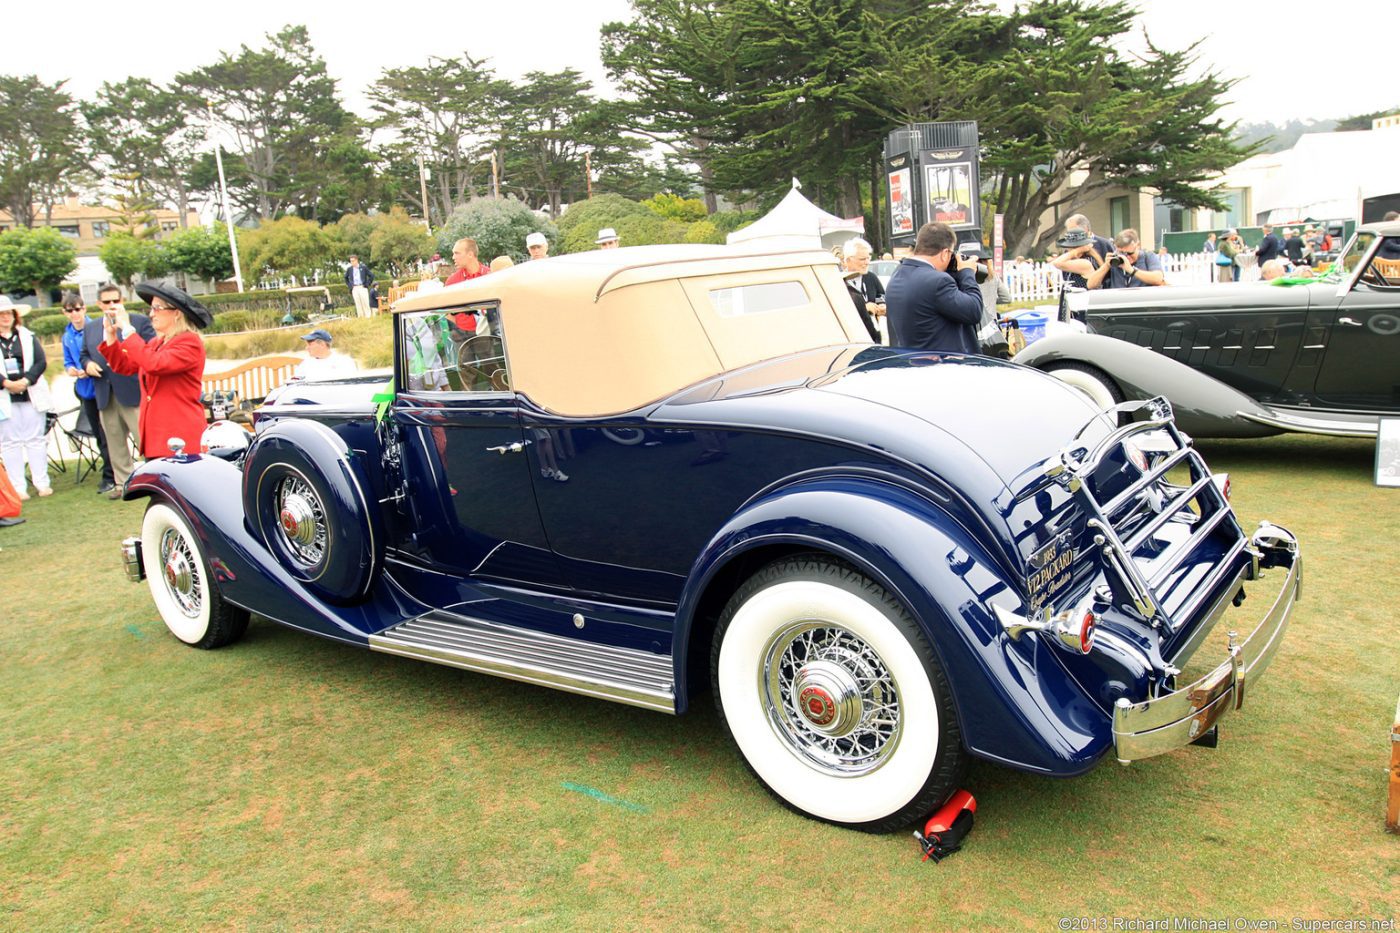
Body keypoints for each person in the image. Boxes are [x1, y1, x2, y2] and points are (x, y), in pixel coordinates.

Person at [99, 282, 211, 466]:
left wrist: (128, 329)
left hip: (180, 437)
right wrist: (110, 336)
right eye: (151, 309)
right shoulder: (156, 343)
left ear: (177, 313)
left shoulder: (189, 343)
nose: (151, 314)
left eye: (157, 308)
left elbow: (154, 364)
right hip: (157, 438)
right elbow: (124, 366)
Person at [81, 284, 154, 496]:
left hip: (132, 390)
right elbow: (84, 353)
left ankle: (153, 480)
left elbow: (148, 351)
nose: (112, 305)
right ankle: (123, 484)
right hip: (104, 392)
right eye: (107, 302)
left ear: (122, 300)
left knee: (144, 440)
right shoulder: (92, 327)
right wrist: (86, 364)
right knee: (114, 442)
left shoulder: (139, 321)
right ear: (98, 304)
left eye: (116, 300)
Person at [883, 221, 983, 354]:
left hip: (909, 363)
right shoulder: (939, 282)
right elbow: (974, 311)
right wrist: (967, 273)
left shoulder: (897, 275)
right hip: (941, 367)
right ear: (945, 253)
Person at [0, 296, 53, 499]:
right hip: (5, 397)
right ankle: (18, 486)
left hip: (30, 394)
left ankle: (42, 482)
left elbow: (40, 362)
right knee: (10, 443)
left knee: (35, 440)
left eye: (8, 314)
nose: (5, 317)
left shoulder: (27, 336)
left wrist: (27, 380)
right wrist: (6, 383)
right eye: (2, 314)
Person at [841, 237, 884, 343]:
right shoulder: (839, 282)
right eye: (862, 259)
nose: (867, 262)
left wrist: (882, 305)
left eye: (868, 258)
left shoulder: (871, 277)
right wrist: (864, 308)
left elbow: (881, 295)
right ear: (848, 260)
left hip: (874, 336)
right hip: (853, 339)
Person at [1098, 229, 1165, 288]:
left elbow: (1158, 278)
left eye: (1130, 253)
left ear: (1138, 245)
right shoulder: (1115, 260)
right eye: (1122, 253)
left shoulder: (1148, 257)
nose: (1126, 257)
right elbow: (1090, 285)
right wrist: (1106, 266)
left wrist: (1132, 270)